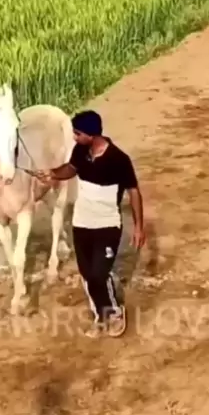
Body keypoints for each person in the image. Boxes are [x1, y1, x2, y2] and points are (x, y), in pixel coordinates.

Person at [36, 110, 145, 339]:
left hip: (107, 225)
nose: (74, 137)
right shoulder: (80, 151)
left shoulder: (119, 159)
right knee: (87, 275)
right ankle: (101, 316)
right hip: (82, 223)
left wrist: (138, 227)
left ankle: (114, 312)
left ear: (92, 135)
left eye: (78, 133)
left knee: (99, 273)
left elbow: (134, 192)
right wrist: (52, 174)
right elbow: (71, 169)